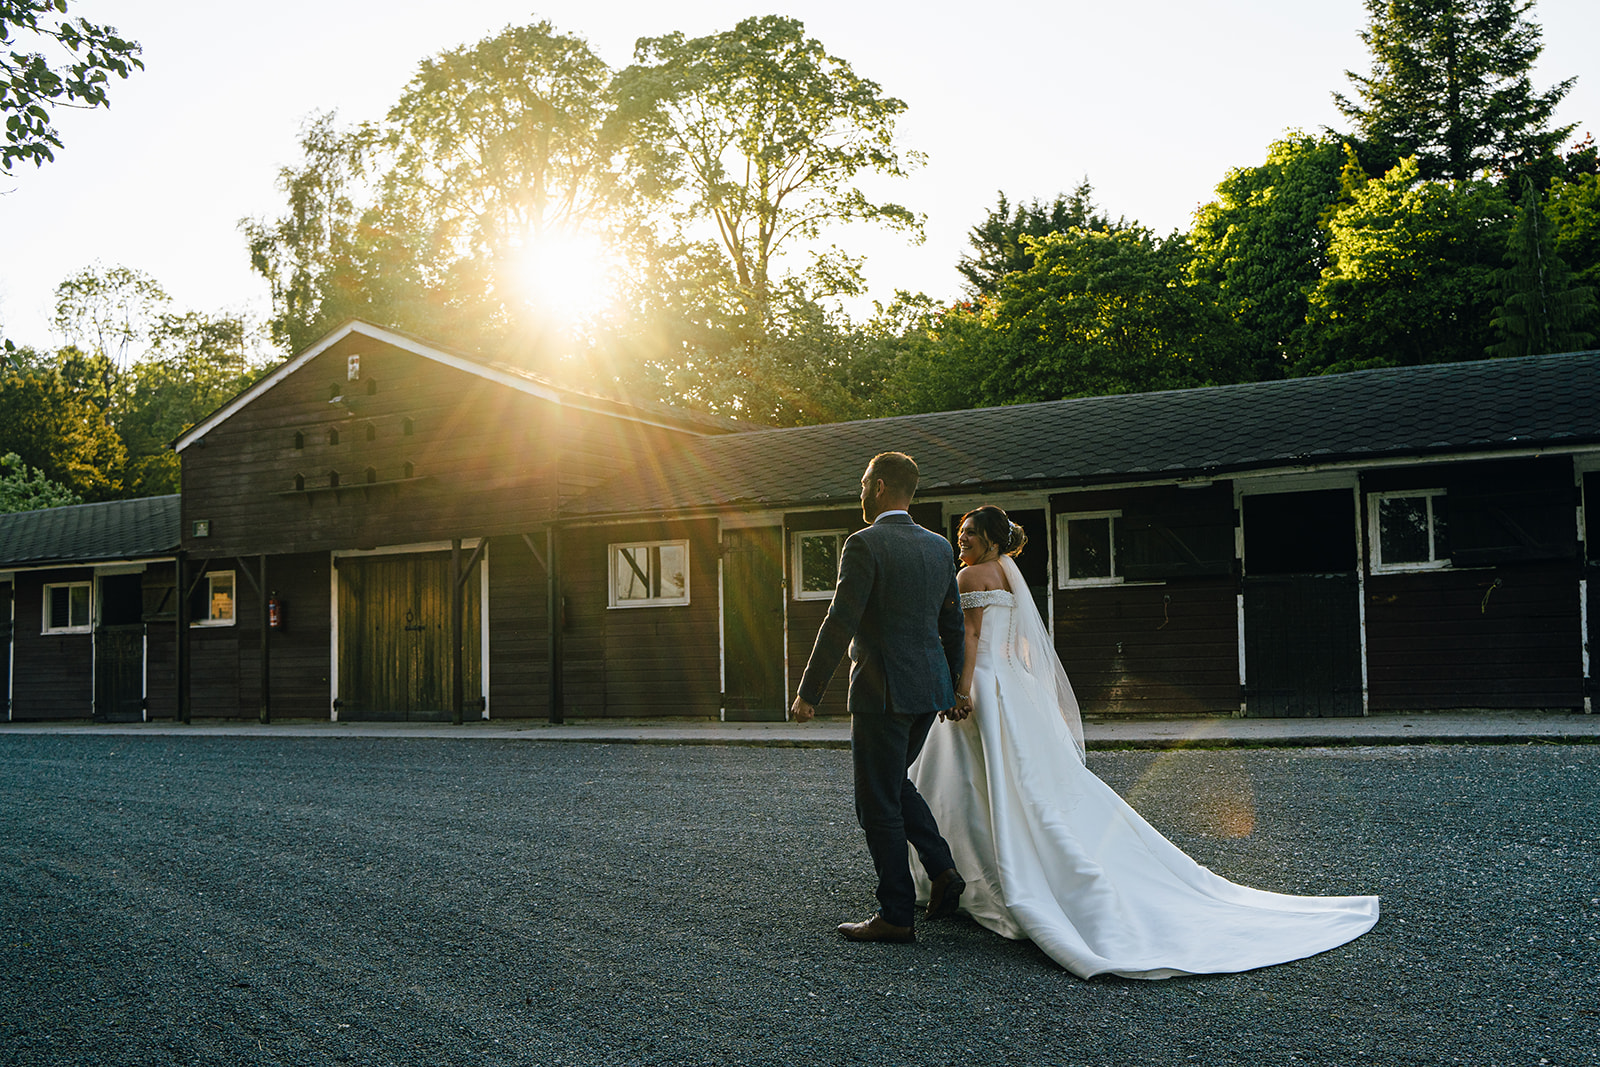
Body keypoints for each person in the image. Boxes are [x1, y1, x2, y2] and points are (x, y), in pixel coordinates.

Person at [910, 504, 1380, 978]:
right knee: (1017, 783)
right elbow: (1020, 642)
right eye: (961, 532)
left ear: (993, 541)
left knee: (978, 783)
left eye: (971, 534)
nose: (962, 540)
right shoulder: (1009, 577)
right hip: (1014, 686)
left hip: (986, 687)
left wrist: (961, 689)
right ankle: (983, 873)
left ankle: (977, 878)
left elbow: (970, 637)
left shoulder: (970, 578)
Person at [791, 452, 969, 944]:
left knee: (876, 803)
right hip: (927, 691)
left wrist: (809, 691)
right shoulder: (938, 548)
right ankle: (943, 871)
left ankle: (895, 915)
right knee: (892, 784)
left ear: (882, 485)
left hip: (882, 691)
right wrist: (952, 686)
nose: (860, 491)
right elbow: (951, 626)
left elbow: (840, 620)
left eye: (863, 482)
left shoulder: (864, 544)